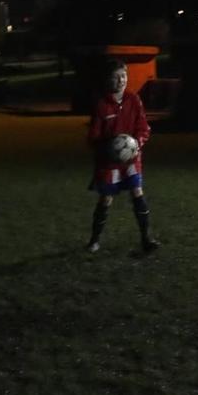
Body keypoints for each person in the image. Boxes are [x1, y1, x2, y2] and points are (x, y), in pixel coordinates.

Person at [85, 59, 160, 255]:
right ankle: (94, 240)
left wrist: (136, 144)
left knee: (137, 192)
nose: (121, 80)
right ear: (108, 80)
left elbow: (144, 128)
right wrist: (107, 147)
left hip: (131, 159)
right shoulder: (101, 105)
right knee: (106, 199)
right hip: (109, 163)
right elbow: (93, 137)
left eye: (124, 76)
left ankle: (147, 238)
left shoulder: (133, 100)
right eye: (116, 77)